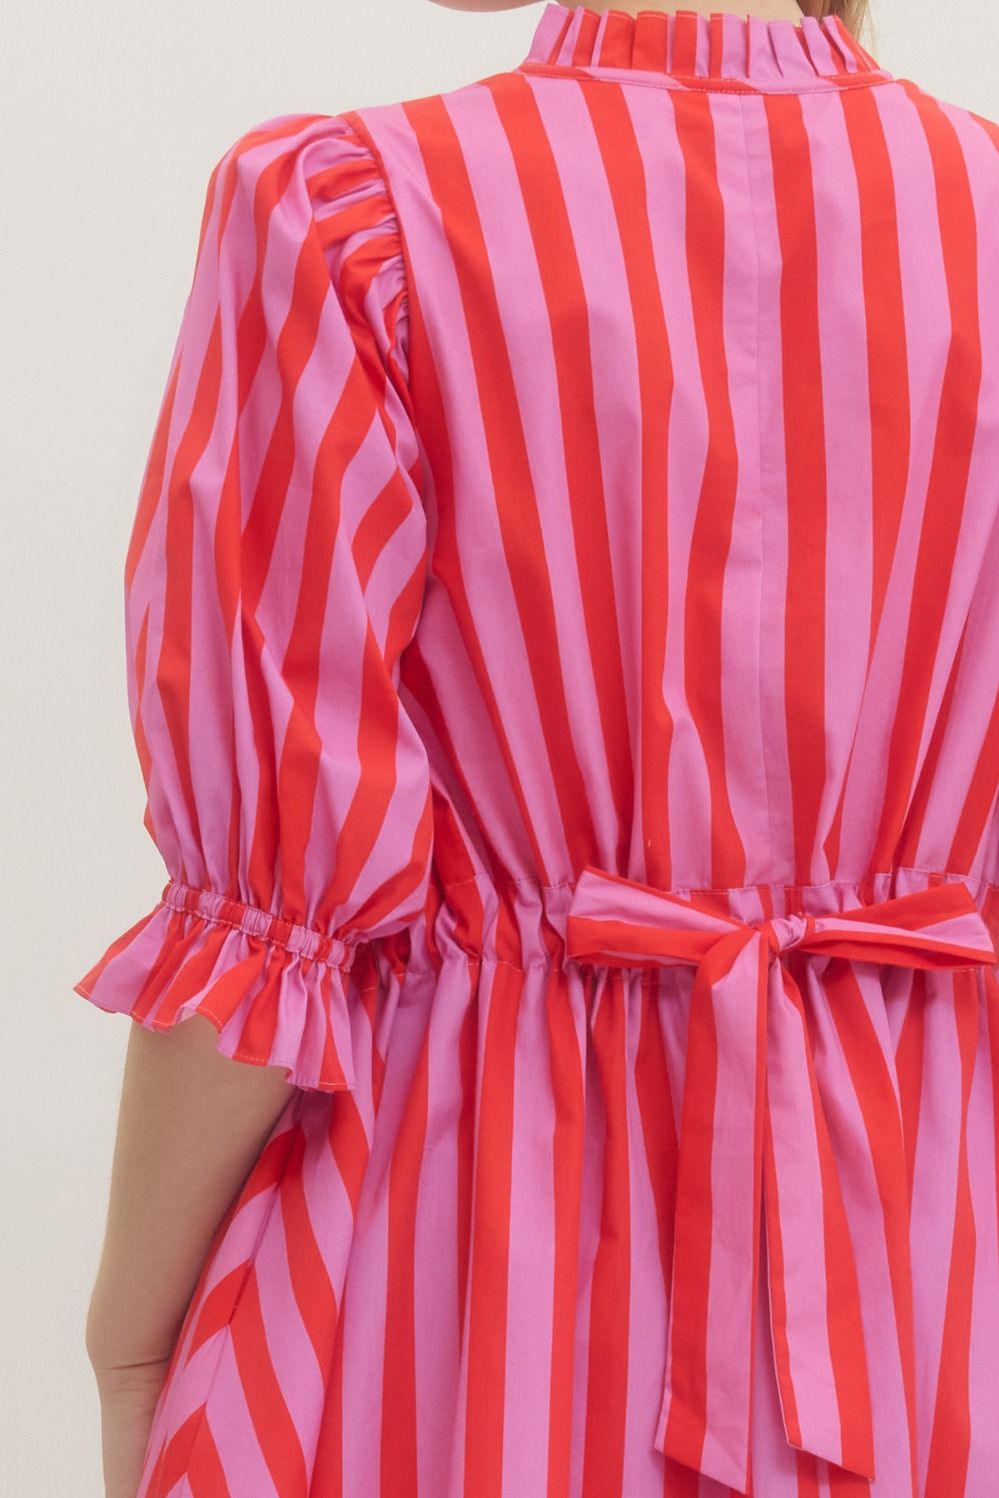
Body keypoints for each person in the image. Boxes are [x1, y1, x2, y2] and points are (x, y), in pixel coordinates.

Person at [77, 1, 999, 1495]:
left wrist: (130, 1335)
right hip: (938, 1277)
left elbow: (266, 919)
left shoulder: (354, 219)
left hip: (456, 1292)